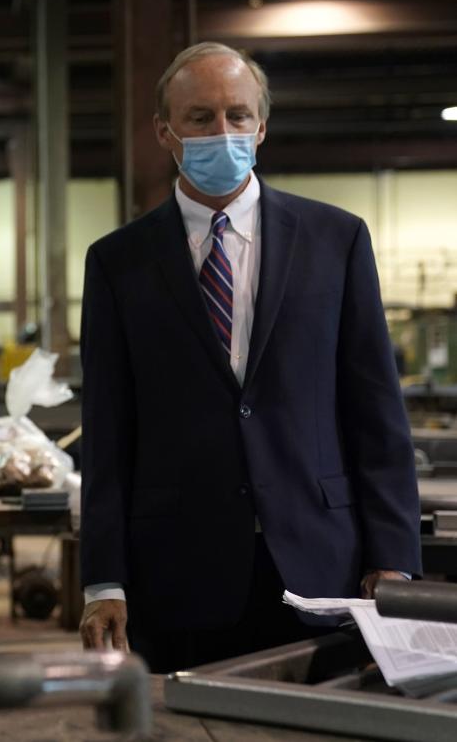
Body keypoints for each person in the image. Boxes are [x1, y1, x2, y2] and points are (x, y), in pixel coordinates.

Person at [78, 42, 421, 673]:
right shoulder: (117, 262)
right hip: (178, 568)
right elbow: (107, 432)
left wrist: (394, 555)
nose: (223, 132)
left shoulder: (335, 240)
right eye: (201, 117)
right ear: (165, 131)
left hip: (323, 562)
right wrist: (104, 579)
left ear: (262, 126)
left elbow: (375, 409)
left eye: (238, 115)